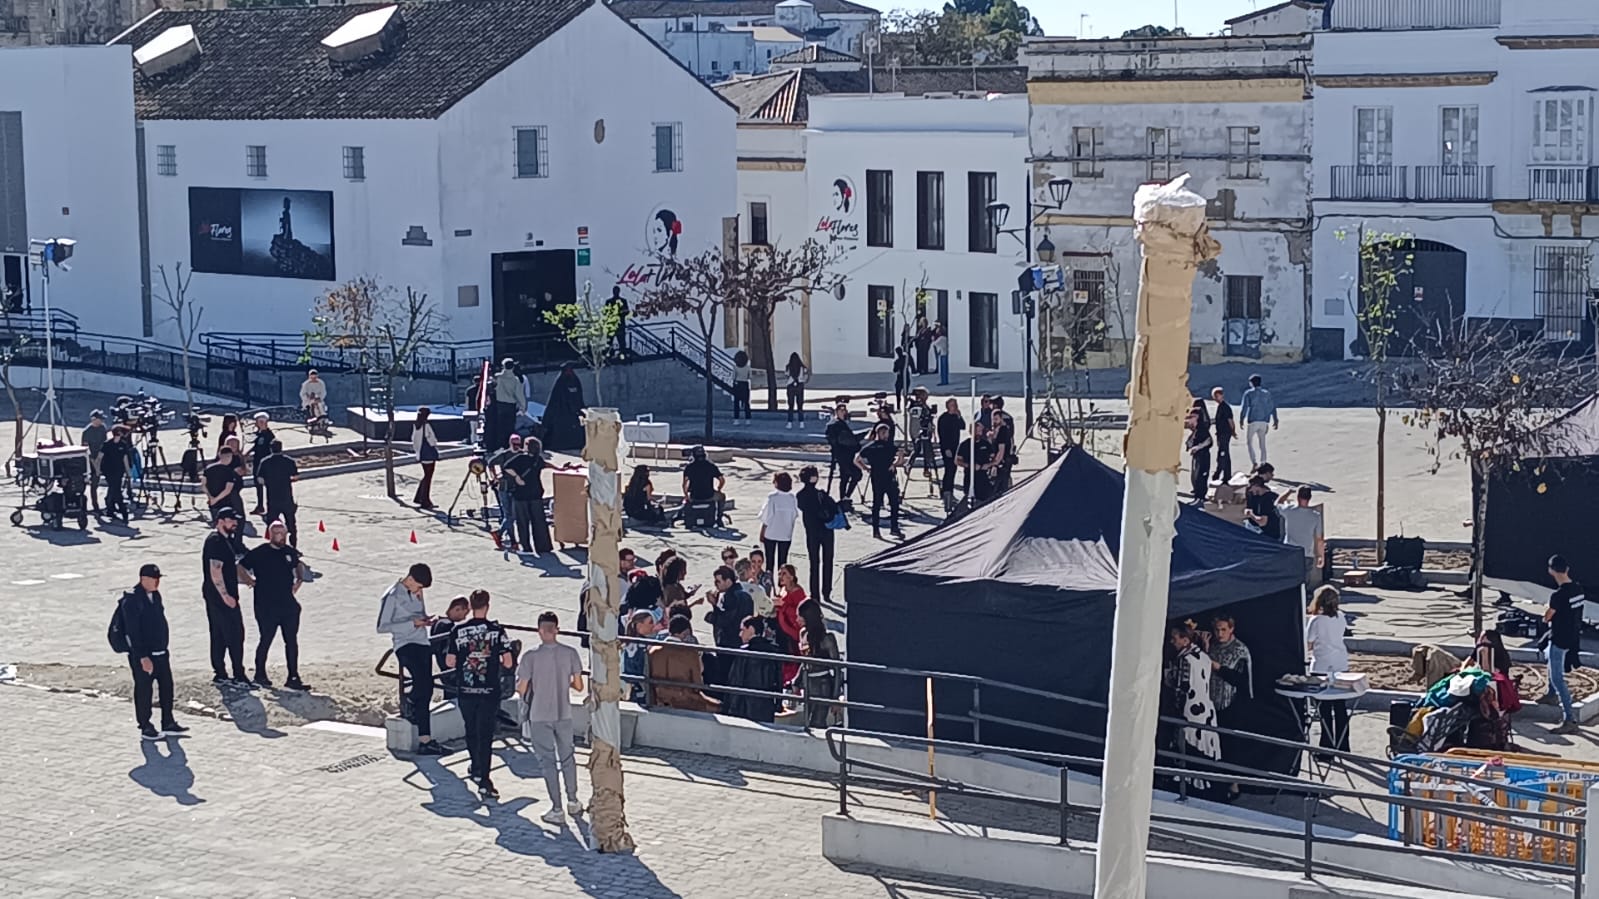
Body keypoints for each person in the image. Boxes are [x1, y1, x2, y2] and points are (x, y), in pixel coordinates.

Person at [516, 611, 587, 823]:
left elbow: (522, 688)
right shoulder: (570, 653)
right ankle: (573, 800)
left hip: (539, 714)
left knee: (547, 762)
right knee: (568, 758)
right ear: (557, 629)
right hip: (563, 712)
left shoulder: (530, 657)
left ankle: (556, 809)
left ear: (539, 630)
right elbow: (579, 685)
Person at [445, 590, 515, 796]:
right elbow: (508, 661)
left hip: (466, 689)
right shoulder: (497, 630)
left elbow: (450, 661)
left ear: (471, 606)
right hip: (489, 690)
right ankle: (484, 779)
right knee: (485, 734)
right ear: (488, 605)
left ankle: (475, 767)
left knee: (471, 730)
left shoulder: (458, 631)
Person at [376, 563, 444, 755]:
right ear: (411, 579)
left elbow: (419, 613)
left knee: (428, 686)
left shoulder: (416, 592)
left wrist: (425, 620)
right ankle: (410, 702)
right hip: (405, 644)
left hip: (422, 641)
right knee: (420, 683)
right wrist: (410, 623)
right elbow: (381, 626)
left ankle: (425, 739)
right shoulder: (392, 596)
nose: (420, 591)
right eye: (419, 586)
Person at [238, 520, 308, 690]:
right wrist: (250, 581)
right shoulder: (260, 553)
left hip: (288, 605)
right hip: (266, 605)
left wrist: (299, 580)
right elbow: (240, 566)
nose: (280, 536)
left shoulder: (290, 552)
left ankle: (293, 676)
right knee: (266, 639)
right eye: (276, 533)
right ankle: (260, 674)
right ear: (270, 534)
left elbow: (299, 564)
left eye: (282, 533)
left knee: (291, 641)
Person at [121, 563, 188, 740]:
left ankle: (168, 721)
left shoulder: (155, 596)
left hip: (161, 652)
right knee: (144, 689)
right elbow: (133, 632)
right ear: (143, 579)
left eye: (158, 579)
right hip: (144, 655)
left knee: (167, 685)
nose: (157, 582)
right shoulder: (132, 600)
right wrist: (142, 656)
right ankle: (145, 725)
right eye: (154, 579)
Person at [1163, 621, 1222, 795]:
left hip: (1190, 709)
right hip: (1206, 706)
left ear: (1185, 640)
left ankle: (1190, 782)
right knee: (1204, 743)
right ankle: (1204, 781)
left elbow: (1182, 686)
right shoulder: (1203, 656)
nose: (1172, 642)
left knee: (1189, 744)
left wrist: (1169, 679)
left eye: (1175, 638)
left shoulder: (1184, 659)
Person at [1203, 614, 1252, 800]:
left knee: (1231, 747)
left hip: (1232, 704)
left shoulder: (1240, 651)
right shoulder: (1213, 646)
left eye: (1223, 629)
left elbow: (1242, 680)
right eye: (1217, 629)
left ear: (1231, 629)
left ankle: (1234, 784)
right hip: (1211, 702)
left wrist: (1219, 668)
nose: (1219, 633)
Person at [202, 508, 249, 687]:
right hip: (220, 598)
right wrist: (225, 596)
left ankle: (221, 673)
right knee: (234, 634)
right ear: (221, 520)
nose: (235, 524)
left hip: (218, 596)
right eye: (231, 520)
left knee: (220, 634)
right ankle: (238, 675)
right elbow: (215, 571)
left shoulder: (225, 540)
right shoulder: (215, 541)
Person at [1305, 585, 1351, 757]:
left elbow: (1308, 642)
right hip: (1340, 663)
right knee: (1340, 706)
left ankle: (1326, 747)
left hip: (1321, 666)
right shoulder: (1341, 617)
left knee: (1324, 709)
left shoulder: (1316, 620)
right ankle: (1343, 744)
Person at [1542, 555, 1584, 735]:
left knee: (1557, 677)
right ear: (1567, 569)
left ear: (1551, 571)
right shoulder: (1578, 589)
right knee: (1548, 657)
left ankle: (1570, 718)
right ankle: (1550, 694)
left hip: (1559, 638)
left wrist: (1545, 616)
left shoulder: (1558, 595)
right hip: (1573, 637)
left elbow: (1548, 616)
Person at [649, 616, 720, 712]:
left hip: (659, 699)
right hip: (685, 701)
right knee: (719, 706)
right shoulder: (690, 653)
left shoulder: (653, 651)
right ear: (686, 633)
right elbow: (697, 685)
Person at [704, 566, 754, 686]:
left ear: (728, 581)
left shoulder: (730, 596)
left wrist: (714, 606)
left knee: (726, 677)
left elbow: (725, 620)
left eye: (718, 581)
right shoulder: (745, 595)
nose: (716, 584)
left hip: (729, 644)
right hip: (742, 642)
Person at [726, 616, 782, 723]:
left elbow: (736, 680)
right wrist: (778, 704)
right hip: (767, 705)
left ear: (751, 629)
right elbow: (779, 680)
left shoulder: (744, 652)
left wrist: (731, 707)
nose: (740, 634)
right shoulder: (774, 652)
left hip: (745, 705)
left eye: (742, 630)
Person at [795, 465, 838, 603]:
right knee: (828, 561)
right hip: (826, 531)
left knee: (814, 563)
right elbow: (833, 507)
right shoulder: (821, 494)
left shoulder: (800, 496)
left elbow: (804, 507)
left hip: (812, 532)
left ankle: (815, 594)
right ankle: (826, 591)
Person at [504, 435, 553, 555]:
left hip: (521, 494)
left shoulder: (520, 458)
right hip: (536, 493)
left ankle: (526, 547)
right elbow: (547, 465)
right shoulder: (538, 459)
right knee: (539, 521)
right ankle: (543, 546)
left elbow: (507, 467)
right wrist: (561, 469)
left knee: (522, 522)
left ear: (527, 446)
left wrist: (517, 477)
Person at [798, 599, 841, 728]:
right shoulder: (803, 634)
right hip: (808, 684)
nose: (797, 619)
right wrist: (796, 681)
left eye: (800, 616)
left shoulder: (827, 639)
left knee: (817, 722)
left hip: (823, 685)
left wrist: (835, 698)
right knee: (806, 722)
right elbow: (804, 661)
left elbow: (837, 668)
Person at [856, 423, 904, 539]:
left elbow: (857, 459)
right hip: (889, 476)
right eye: (886, 433)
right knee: (894, 503)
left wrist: (866, 468)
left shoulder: (870, 446)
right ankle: (894, 528)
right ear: (882, 433)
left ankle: (876, 530)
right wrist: (895, 464)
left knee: (877, 503)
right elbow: (901, 456)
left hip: (876, 476)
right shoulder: (889, 446)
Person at [254, 441, 300, 548]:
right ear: (281, 448)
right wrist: (288, 480)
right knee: (291, 524)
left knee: (272, 524)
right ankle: (294, 546)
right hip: (287, 497)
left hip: (272, 498)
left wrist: (268, 482)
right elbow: (296, 477)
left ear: (270, 449)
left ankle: (274, 545)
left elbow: (260, 479)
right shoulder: (289, 461)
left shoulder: (265, 462)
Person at [1280, 485, 1325, 587]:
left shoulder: (1289, 510)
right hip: (1307, 553)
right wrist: (1320, 556)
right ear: (1310, 498)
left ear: (1298, 497)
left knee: (1289, 580)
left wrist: (1287, 492)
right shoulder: (1315, 516)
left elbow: (1277, 503)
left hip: (1290, 551)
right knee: (1304, 582)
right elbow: (1319, 538)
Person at [487, 434, 523, 550]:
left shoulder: (522, 455)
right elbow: (490, 463)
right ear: (510, 443)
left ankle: (502, 535)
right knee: (509, 516)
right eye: (514, 444)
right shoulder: (504, 455)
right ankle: (512, 540)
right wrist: (495, 477)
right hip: (504, 488)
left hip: (516, 488)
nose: (517, 446)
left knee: (511, 516)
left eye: (518, 444)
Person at [431, 596, 471, 699]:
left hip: (443, 668)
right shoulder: (448, 626)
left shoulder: (438, 623)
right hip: (449, 669)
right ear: (457, 609)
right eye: (465, 613)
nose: (465, 618)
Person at [773, 564, 805, 687]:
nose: (781, 577)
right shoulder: (783, 589)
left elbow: (799, 611)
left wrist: (783, 605)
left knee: (793, 656)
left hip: (793, 630)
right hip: (782, 628)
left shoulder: (798, 592)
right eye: (780, 574)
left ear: (792, 577)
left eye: (784, 574)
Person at [758, 471, 799, 567]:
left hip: (771, 533)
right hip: (786, 534)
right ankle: (783, 581)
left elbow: (766, 517)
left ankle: (769, 580)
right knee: (783, 562)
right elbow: (795, 515)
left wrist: (762, 531)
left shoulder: (772, 497)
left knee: (769, 561)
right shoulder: (792, 498)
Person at [543, 365, 587, 452]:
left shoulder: (575, 381)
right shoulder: (560, 383)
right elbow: (555, 400)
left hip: (574, 413)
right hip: (561, 411)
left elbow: (579, 396)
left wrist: (580, 409)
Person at [825, 405, 862, 507]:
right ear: (837, 411)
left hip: (847, 454)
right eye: (841, 410)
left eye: (845, 410)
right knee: (852, 475)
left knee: (847, 477)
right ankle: (844, 497)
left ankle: (845, 497)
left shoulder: (841, 423)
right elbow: (844, 440)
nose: (844, 412)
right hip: (842, 455)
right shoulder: (834, 424)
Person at [956, 419, 998, 508]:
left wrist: (988, 465)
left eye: (980, 431)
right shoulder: (965, 444)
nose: (979, 433)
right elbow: (957, 460)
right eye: (976, 431)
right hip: (970, 477)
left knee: (986, 499)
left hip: (983, 477)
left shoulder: (986, 444)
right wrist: (969, 466)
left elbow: (995, 459)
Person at [1239, 374, 1278, 467]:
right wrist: (1275, 419)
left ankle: (1254, 462)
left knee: (1249, 442)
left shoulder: (1248, 393)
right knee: (1262, 443)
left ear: (1252, 383)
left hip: (1253, 420)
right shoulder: (1266, 393)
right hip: (1264, 421)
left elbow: (1245, 407)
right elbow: (1272, 407)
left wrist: (1241, 419)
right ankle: (1263, 462)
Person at [680, 445, 725, 526]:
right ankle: (719, 518)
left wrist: (686, 496)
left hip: (694, 496)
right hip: (709, 495)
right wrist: (719, 489)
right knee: (722, 496)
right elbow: (722, 480)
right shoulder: (711, 466)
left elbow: (684, 484)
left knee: (685, 501)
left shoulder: (689, 467)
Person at [408, 406, 441, 509]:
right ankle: (425, 501)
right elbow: (431, 438)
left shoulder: (416, 425)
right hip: (428, 453)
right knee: (428, 476)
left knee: (426, 475)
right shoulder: (426, 425)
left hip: (421, 453)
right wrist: (435, 445)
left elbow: (414, 439)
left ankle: (419, 497)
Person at [936, 399, 965, 513]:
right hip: (947, 447)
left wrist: (959, 416)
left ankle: (949, 490)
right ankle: (946, 491)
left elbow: (963, 426)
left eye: (956, 405)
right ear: (948, 407)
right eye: (953, 405)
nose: (955, 407)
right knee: (949, 469)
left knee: (953, 469)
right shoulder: (943, 418)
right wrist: (946, 448)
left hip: (955, 446)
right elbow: (942, 434)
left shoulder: (955, 417)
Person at [488, 358, 523, 452]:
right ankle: (509, 446)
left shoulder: (497, 377)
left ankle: (500, 446)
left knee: (500, 426)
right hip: (511, 405)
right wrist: (523, 407)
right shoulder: (515, 380)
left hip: (500, 404)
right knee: (510, 427)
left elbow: (492, 386)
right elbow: (519, 394)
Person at [204, 445, 245, 523]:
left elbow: (203, 485)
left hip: (213, 501)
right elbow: (228, 489)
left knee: (217, 523)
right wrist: (215, 499)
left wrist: (211, 498)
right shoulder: (230, 471)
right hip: (228, 502)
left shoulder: (209, 468)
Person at [100, 425, 132, 522]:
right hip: (108, 470)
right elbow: (99, 457)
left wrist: (128, 472)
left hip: (119, 471)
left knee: (114, 488)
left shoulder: (123, 444)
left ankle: (110, 506)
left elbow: (125, 458)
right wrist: (98, 470)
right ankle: (123, 511)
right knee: (116, 490)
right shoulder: (107, 444)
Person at [906, 387, 937, 490]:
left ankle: (926, 468)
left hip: (925, 431)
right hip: (918, 432)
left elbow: (927, 417)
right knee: (918, 449)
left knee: (927, 451)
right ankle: (909, 464)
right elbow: (915, 419)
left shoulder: (924, 406)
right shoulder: (916, 406)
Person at [1186, 397, 1213, 507]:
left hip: (1203, 456)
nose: (1189, 419)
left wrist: (1198, 447)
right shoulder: (1196, 428)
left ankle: (1200, 497)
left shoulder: (1202, 428)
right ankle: (1197, 496)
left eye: (1192, 417)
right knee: (1195, 476)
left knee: (1201, 476)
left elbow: (1209, 440)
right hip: (1196, 456)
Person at [249, 412, 276, 515]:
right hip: (257, 463)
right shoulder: (259, 434)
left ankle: (271, 507)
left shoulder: (269, 435)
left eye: (257, 422)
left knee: (268, 486)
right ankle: (260, 506)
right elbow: (256, 446)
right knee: (258, 486)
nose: (256, 424)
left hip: (266, 465)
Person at [83, 409, 107, 515]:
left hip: (101, 457)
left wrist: (101, 459)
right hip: (90, 460)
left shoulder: (102, 428)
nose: (102, 421)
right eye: (100, 419)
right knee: (93, 484)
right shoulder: (87, 432)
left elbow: (104, 444)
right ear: (94, 419)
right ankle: (93, 505)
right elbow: (86, 450)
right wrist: (95, 465)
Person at [990, 398, 1016, 494]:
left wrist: (995, 464)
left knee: (1000, 483)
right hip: (1005, 454)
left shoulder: (1002, 427)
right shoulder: (1007, 417)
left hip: (1002, 458)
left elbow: (1002, 447)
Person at [1245, 476, 1283, 541]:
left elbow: (1262, 522)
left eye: (1251, 487)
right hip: (1272, 531)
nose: (1250, 490)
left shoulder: (1267, 500)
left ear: (1257, 485)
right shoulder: (1256, 496)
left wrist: (1251, 515)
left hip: (1268, 535)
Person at [1211, 387, 1235, 484]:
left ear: (1221, 395)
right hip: (1221, 433)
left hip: (1225, 433)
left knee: (1224, 454)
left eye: (1217, 396)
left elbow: (1230, 420)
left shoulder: (1225, 407)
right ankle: (1221, 473)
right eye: (1214, 397)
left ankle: (1225, 475)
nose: (1215, 398)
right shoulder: (1221, 406)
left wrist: (1233, 431)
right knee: (1223, 453)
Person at [785, 352, 809, 428]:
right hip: (800, 386)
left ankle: (790, 423)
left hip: (791, 386)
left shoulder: (788, 367)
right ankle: (801, 423)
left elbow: (786, 375)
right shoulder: (802, 367)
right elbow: (807, 375)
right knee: (800, 406)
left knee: (791, 406)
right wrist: (803, 380)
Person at [731, 350, 752, 424]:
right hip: (745, 384)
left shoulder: (735, 367)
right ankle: (748, 420)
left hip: (738, 385)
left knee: (736, 403)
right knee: (746, 403)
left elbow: (733, 377)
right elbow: (750, 377)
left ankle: (736, 420)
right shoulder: (748, 367)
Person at [607, 286, 629, 356]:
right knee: (610, 341)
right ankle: (609, 353)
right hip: (612, 325)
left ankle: (623, 353)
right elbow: (605, 312)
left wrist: (619, 313)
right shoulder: (609, 301)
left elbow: (627, 311)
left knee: (621, 341)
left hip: (620, 325)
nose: (616, 292)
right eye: (615, 291)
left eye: (617, 291)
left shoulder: (623, 301)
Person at [892, 347, 911, 411]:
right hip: (906, 377)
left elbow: (894, 370)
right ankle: (906, 407)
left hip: (900, 378)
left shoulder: (897, 361)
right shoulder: (906, 359)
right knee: (905, 394)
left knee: (898, 394)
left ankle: (898, 407)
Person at [932, 322, 950, 386]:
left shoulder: (941, 338)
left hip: (943, 354)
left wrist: (933, 339)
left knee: (943, 369)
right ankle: (945, 380)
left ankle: (944, 381)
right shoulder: (945, 338)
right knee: (945, 368)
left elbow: (934, 344)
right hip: (945, 353)